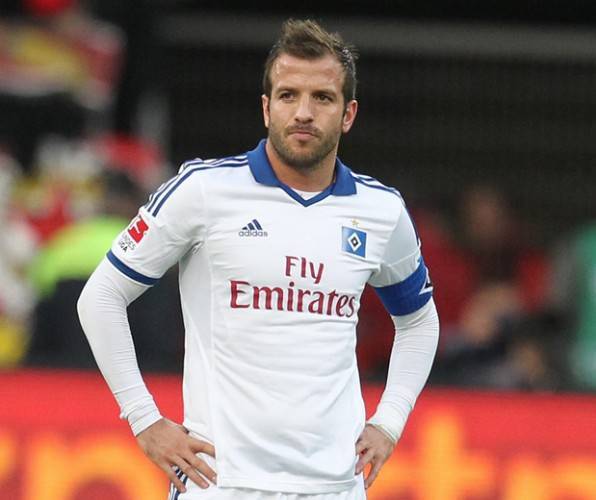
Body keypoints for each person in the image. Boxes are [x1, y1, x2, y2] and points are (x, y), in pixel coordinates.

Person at [77, 19, 439, 500]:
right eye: (288, 95)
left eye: (322, 98)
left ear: (348, 114)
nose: (304, 112)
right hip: (221, 483)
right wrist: (144, 419)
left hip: (334, 486)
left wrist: (390, 421)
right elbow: (101, 296)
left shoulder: (380, 211)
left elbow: (419, 321)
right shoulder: (204, 191)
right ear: (267, 108)